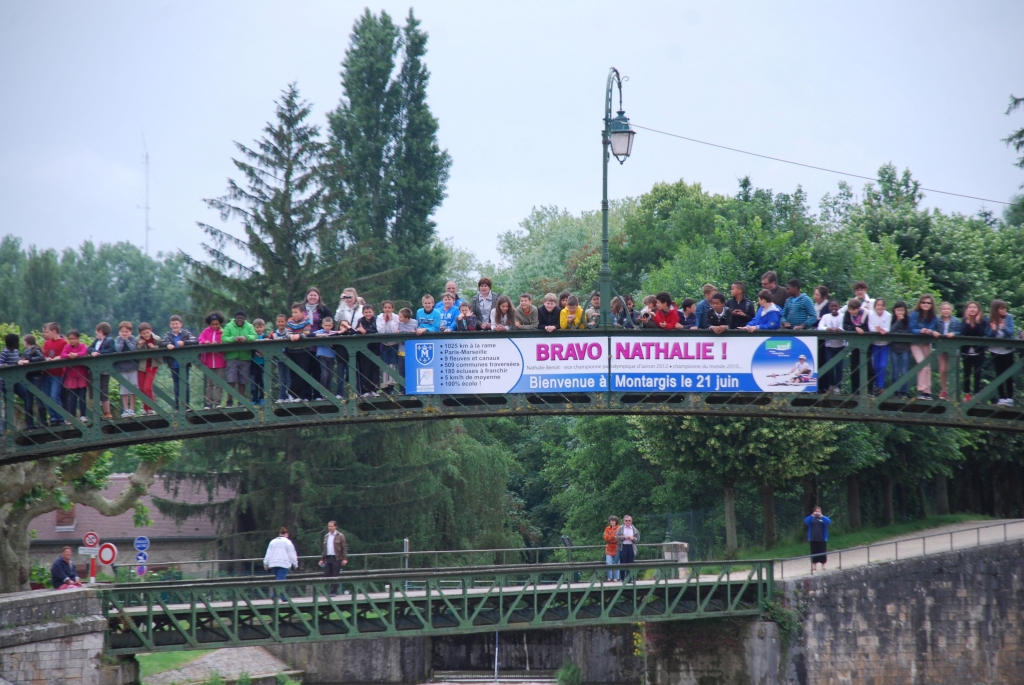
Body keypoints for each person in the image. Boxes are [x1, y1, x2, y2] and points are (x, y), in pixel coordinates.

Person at [222, 311, 257, 405]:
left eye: (242, 318)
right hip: (231, 357)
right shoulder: (229, 326)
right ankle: (229, 401)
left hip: (245, 357)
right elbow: (224, 338)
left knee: (243, 380)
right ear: (235, 318)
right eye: (238, 318)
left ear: (245, 319)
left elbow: (254, 336)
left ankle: (241, 401)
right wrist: (233, 339)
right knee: (231, 379)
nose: (240, 320)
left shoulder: (249, 326)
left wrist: (246, 338)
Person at [162, 315, 196, 410]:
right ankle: (178, 406)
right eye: (173, 324)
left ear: (181, 324)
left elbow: (195, 340)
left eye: (176, 323)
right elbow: (161, 343)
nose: (175, 326)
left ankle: (186, 405)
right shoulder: (168, 335)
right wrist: (168, 344)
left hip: (184, 363)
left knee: (185, 384)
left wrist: (185, 343)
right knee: (176, 386)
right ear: (170, 325)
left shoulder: (186, 333)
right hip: (173, 364)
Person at [909, 294, 939, 401]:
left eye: (928, 303)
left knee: (928, 367)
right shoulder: (914, 314)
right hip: (915, 343)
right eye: (924, 302)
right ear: (920, 303)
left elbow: (932, 328)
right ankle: (921, 390)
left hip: (926, 343)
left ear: (931, 305)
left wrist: (929, 331)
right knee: (922, 365)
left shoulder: (934, 317)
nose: (926, 304)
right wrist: (920, 331)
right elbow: (911, 328)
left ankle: (928, 392)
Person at [985, 299, 1015, 406]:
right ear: (996, 309)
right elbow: (987, 335)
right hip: (995, 350)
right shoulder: (989, 319)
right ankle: (1001, 397)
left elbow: (1011, 332)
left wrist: (1004, 327)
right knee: (999, 373)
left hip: (1007, 349)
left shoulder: (1009, 317)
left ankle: (1010, 397)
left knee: (1008, 374)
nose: (1004, 310)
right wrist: (993, 329)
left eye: (1005, 308)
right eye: (1002, 308)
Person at [198, 311, 227, 410]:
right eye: (212, 324)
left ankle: (218, 402)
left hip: (220, 361)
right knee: (210, 384)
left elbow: (225, 341)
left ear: (220, 323)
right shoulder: (206, 331)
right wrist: (205, 342)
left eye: (216, 324)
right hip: (209, 361)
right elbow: (200, 339)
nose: (214, 326)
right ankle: (208, 403)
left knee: (219, 383)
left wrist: (218, 343)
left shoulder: (223, 332)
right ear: (209, 324)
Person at [285, 303, 314, 401]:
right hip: (292, 350)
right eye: (293, 312)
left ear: (302, 313)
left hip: (303, 350)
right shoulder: (290, 321)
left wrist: (299, 336)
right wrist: (291, 336)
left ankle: (290, 391)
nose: (294, 314)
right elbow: (288, 332)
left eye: (296, 312)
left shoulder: (307, 321)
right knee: (293, 372)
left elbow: (306, 332)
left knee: (302, 372)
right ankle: (297, 396)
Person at [60, 330, 90, 423]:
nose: (72, 341)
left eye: (73, 338)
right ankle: (71, 416)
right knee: (72, 398)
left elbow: (84, 352)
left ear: (78, 339)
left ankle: (83, 415)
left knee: (82, 397)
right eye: (70, 339)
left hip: (82, 375)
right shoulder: (67, 347)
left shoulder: (82, 345)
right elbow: (62, 355)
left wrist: (76, 355)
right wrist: (69, 355)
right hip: (71, 376)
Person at [41, 323, 67, 426]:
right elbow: (43, 355)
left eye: (48, 331)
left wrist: (60, 357)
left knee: (54, 395)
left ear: (54, 331)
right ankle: (53, 418)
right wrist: (45, 359)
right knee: (47, 396)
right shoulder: (47, 343)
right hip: (47, 373)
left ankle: (60, 417)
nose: (46, 334)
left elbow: (65, 354)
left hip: (57, 373)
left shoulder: (63, 342)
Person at [959, 301, 986, 402]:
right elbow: (963, 333)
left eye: (974, 307)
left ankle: (977, 394)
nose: (972, 309)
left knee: (978, 373)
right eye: (970, 307)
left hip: (979, 352)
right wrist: (968, 321)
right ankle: (967, 394)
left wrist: (977, 322)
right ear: (966, 310)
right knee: (967, 373)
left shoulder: (983, 321)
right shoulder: (964, 320)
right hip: (966, 351)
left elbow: (981, 334)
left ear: (978, 310)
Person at [16, 335, 46, 428]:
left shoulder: (35, 349)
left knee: (36, 398)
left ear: (27, 342)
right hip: (30, 377)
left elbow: (41, 358)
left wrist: (29, 360)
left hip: (35, 376)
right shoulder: (28, 350)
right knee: (30, 399)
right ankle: (34, 423)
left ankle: (37, 423)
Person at [818, 300, 846, 393]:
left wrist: (840, 329)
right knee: (829, 367)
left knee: (839, 368)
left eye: (835, 306)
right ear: (829, 308)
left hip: (840, 345)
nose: (834, 308)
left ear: (839, 307)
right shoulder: (825, 317)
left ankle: (838, 387)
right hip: (829, 346)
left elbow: (845, 326)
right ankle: (831, 385)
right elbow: (820, 326)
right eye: (832, 306)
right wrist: (827, 329)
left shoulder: (842, 317)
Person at [263, 526, 299, 599]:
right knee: (280, 580)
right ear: (286, 534)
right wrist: (295, 563)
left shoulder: (272, 541)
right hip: (284, 564)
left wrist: (265, 563)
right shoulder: (288, 542)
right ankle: (274, 595)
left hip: (273, 564)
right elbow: (292, 553)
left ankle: (283, 597)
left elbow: (268, 553)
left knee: (279, 580)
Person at [90, 322, 116, 419]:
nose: (96, 334)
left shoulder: (109, 340)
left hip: (104, 369)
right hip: (95, 369)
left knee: (104, 390)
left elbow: (112, 350)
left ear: (100, 331)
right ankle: (98, 413)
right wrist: (93, 351)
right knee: (96, 390)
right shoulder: (97, 341)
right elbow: (89, 348)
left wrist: (99, 353)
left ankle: (107, 413)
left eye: (97, 332)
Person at [842, 298, 868, 395]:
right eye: (850, 309)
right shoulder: (847, 314)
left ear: (859, 308)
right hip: (852, 345)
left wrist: (860, 328)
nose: (852, 312)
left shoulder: (866, 314)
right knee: (854, 368)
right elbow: (845, 326)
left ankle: (866, 391)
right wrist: (855, 328)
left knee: (866, 368)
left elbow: (867, 328)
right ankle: (854, 391)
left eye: (854, 309)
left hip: (865, 345)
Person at [114, 321, 139, 418]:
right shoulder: (118, 339)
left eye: (126, 331)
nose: (124, 333)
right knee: (124, 390)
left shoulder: (133, 339)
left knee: (133, 389)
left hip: (133, 367)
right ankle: (125, 409)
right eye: (122, 331)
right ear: (119, 332)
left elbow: (133, 348)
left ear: (131, 332)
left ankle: (132, 409)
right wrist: (122, 340)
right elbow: (118, 349)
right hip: (122, 368)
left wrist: (127, 340)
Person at [135, 323, 162, 415]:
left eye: (147, 332)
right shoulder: (137, 340)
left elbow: (162, 348)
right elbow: (135, 351)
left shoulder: (156, 339)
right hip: (142, 366)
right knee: (142, 388)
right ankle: (145, 408)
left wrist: (154, 347)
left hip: (152, 365)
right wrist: (140, 346)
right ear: (140, 334)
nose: (146, 335)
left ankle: (151, 407)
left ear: (151, 330)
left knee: (147, 388)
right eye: (144, 333)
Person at [867, 299, 892, 395]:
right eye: (878, 305)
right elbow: (871, 328)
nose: (880, 307)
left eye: (882, 305)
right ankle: (875, 387)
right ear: (875, 306)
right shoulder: (871, 314)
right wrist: (879, 330)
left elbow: (887, 328)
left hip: (884, 344)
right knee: (875, 366)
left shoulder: (888, 315)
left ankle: (880, 386)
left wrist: (880, 329)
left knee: (882, 365)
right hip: (874, 344)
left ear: (884, 306)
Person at [355, 304, 381, 396]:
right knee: (365, 369)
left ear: (373, 312)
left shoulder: (377, 320)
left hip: (375, 347)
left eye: (370, 312)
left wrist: (366, 332)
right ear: (363, 313)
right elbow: (358, 331)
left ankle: (374, 390)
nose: (368, 314)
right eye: (366, 312)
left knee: (375, 369)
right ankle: (365, 390)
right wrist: (360, 331)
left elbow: (377, 330)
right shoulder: (360, 321)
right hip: (364, 348)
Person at [312, 317, 341, 399]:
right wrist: (323, 335)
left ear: (332, 325)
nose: (327, 327)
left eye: (329, 325)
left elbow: (340, 333)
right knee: (324, 374)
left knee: (330, 375)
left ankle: (327, 393)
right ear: (322, 325)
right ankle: (322, 391)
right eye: (326, 325)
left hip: (331, 356)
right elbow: (311, 334)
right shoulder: (319, 332)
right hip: (321, 355)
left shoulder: (333, 333)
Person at [889, 301, 912, 399]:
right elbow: (891, 331)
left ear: (905, 311)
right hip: (894, 348)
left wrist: (899, 332)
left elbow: (909, 331)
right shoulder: (892, 319)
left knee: (904, 371)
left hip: (905, 348)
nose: (900, 312)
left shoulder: (909, 319)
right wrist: (898, 321)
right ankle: (896, 391)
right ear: (894, 310)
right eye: (898, 310)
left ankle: (904, 392)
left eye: (902, 310)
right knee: (895, 371)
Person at [319, 520, 348, 595]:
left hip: (336, 557)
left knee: (335, 574)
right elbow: (324, 548)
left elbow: (344, 547)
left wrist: (344, 558)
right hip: (328, 557)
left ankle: (333, 591)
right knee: (327, 573)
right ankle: (336, 585)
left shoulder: (340, 536)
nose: (330, 528)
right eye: (329, 526)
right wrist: (322, 559)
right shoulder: (326, 536)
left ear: (335, 527)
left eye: (331, 526)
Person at [377, 301, 400, 393]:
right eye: (385, 307)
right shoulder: (379, 317)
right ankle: (384, 385)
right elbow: (380, 331)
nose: (387, 309)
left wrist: (390, 320)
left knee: (392, 364)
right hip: (384, 344)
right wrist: (383, 320)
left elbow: (394, 330)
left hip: (393, 343)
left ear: (392, 309)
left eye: (389, 308)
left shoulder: (396, 317)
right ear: (383, 308)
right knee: (385, 364)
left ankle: (391, 385)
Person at [271, 314, 294, 403]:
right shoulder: (274, 333)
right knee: (281, 378)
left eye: (282, 321)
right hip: (279, 359)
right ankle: (282, 397)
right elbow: (268, 340)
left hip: (288, 358)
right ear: (276, 322)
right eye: (279, 321)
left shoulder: (288, 332)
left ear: (286, 322)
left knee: (288, 377)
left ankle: (289, 396)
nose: (280, 323)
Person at [1, 333, 21, 432]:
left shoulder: (16, 352)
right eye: (17, 342)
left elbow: (18, 362)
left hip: (16, 381)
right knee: (8, 404)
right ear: (14, 343)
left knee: (27, 395)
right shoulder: (5, 352)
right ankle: (7, 429)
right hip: (6, 383)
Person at [804, 506, 832, 571]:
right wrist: (812, 516)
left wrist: (822, 516)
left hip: (822, 538)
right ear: (813, 512)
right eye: (816, 511)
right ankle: (814, 566)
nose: (817, 512)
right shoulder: (811, 519)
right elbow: (806, 521)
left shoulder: (823, 519)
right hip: (813, 538)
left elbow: (828, 522)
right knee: (814, 552)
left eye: (818, 511)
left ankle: (823, 565)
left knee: (822, 552)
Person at [615, 515, 640, 583]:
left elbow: (638, 538)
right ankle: (622, 578)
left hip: (631, 547)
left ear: (631, 521)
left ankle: (629, 578)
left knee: (630, 563)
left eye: (629, 520)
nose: (628, 522)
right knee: (623, 563)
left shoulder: (634, 529)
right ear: (624, 521)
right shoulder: (621, 528)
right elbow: (616, 537)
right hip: (623, 547)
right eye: (626, 520)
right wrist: (624, 537)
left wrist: (633, 538)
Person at [397, 308, 417, 388]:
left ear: (407, 318)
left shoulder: (414, 322)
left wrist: (415, 332)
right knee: (401, 370)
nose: (399, 318)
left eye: (401, 317)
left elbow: (418, 330)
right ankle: (402, 388)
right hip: (401, 350)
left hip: (411, 350)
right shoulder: (398, 323)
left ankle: (412, 387)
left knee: (411, 370)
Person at [250, 318, 267, 404]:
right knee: (254, 383)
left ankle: (262, 398)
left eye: (261, 327)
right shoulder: (252, 337)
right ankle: (254, 399)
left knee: (263, 382)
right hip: (254, 363)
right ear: (254, 328)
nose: (259, 329)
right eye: (257, 327)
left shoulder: (266, 337)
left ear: (264, 327)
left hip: (263, 363)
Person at [603, 515, 620, 581]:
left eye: (613, 520)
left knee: (617, 564)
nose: (612, 522)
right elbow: (606, 538)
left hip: (617, 548)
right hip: (609, 549)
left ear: (616, 521)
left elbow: (618, 538)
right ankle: (609, 577)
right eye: (611, 520)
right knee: (608, 563)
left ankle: (616, 578)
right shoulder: (607, 528)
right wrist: (613, 536)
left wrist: (611, 536)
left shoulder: (619, 528)